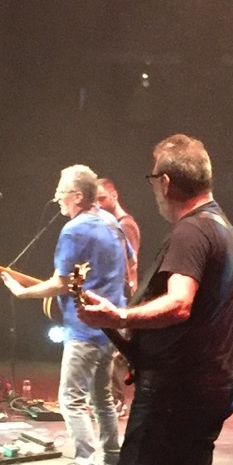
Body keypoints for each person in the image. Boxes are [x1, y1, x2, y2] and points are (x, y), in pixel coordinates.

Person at [36, 134, 233, 465]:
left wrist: (121, 316)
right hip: (214, 382)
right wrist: (146, 352)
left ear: (166, 182)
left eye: (153, 179)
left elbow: (180, 303)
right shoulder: (222, 227)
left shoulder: (191, 232)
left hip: (177, 392)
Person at [0, 164, 129, 465]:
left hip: (85, 330)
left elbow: (60, 283)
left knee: (70, 400)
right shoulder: (111, 222)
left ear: (77, 196)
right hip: (110, 327)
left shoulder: (74, 230)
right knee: (102, 400)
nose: (56, 196)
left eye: (61, 190)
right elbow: (122, 270)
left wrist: (23, 293)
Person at [95, 175, 141, 416]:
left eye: (102, 198)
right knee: (109, 352)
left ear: (114, 195)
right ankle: (110, 399)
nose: (99, 204)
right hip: (115, 295)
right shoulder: (110, 224)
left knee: (114, 354)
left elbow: (127, 264)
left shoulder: (125, 225)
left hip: (122, 296)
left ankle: (116, 401)